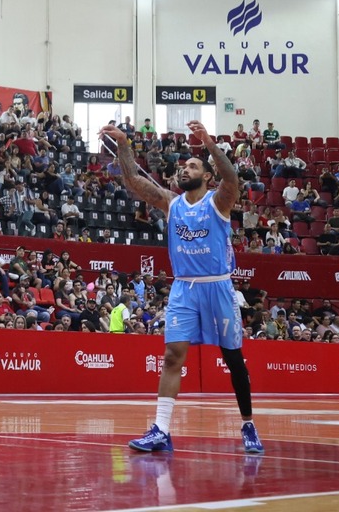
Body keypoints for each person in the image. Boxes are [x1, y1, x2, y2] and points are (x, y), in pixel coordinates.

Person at [103, 120, 263, 455]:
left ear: (206, 176)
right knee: (173, 355)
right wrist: (124, 144)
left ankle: (248, 424)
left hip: (218, 288)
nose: (184, 168)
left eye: (192, 165)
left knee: (234, 360)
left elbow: (231, 178)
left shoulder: (219, 202)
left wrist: (208, 143)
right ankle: (161, 430)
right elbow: (133, 181)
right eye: (183, 165)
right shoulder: (172, 203)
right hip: (184, 289)